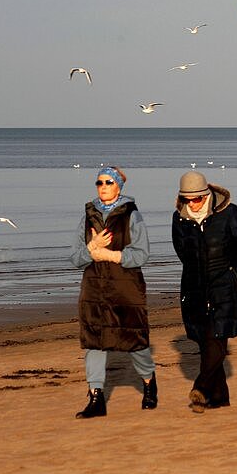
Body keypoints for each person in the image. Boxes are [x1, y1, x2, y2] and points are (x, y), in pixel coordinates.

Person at [68, 166, 156, 418]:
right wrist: (92, 247)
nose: (103, 186)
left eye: (108, 182)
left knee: (135, 342)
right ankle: (96, 399)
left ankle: (149, 383)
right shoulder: (87, 216)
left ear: (119, 186)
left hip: (126, 287)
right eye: (99, 182)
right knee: (94, 343)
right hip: (94, 288)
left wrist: (111, 255)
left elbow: (142, 254)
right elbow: (75, 258)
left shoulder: (132, 215)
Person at [172, 171, 237, 413]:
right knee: (206, 342)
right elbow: (182, 252)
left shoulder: (229, 213)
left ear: (206, 194)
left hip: (225, 285)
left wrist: (233, 274)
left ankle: (202, 388)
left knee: (218, 338)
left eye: (197, 198)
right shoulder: (179, 219)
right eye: (188, 199)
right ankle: (219, 397)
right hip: (195, 288)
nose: (193, 203)